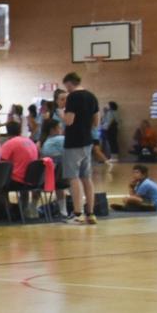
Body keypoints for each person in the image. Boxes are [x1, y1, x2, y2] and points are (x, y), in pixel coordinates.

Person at [60, 71, 100, 225]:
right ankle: (90, 213)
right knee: (87, 177)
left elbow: (69, 121)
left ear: (69, 83)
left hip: (73, 141)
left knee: (74, 177)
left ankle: (78, 213)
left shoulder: (73, 97)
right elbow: (96, 121)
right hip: (87, 141)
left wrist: (61, 113)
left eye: (66, 86)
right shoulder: (91, 96)